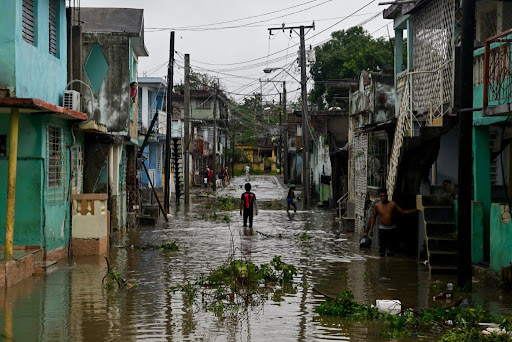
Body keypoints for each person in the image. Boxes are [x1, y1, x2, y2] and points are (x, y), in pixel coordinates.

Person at [364, 188, 416, 257]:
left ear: (387, 196)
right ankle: (382, 266)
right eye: (381, 196)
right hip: (382, 229)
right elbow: (373, 217)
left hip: (392, 229)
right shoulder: (377, 206)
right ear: (379, 197)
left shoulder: (392, 204)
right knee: (381, 250)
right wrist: (371, 228)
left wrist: (415, 210)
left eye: (384, 196)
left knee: (391, 251)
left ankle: (390, 264)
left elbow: (402, 211)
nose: (383, 198)